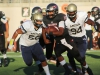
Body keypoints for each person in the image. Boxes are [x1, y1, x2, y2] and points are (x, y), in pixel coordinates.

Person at [42, 3, 93, 75]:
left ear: (56, 11)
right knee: (57, 53)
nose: (50, 13)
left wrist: (50, 32)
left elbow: (60, 32)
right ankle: (68, 70)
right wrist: (44, 39)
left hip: (67, 39)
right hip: (59, 41)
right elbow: (44, 29)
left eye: (51, 11)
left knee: (79, 57)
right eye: (49, 11)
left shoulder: (61, 17)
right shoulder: (45, 19)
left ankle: (87, 68)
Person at [64, 3, 94, 74]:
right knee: (70, 55)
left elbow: (88, 21)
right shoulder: (65, 20)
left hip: (81, 38)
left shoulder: (81, 15)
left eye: (72, 12)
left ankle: (84, 68)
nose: (70, 14)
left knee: (81, 56)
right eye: (69, 12)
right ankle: (74, 70)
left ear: (75, 11)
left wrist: (93, 23)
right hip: (72, 39)